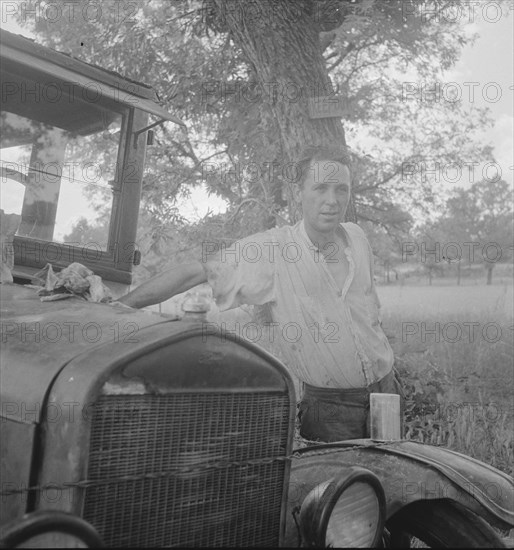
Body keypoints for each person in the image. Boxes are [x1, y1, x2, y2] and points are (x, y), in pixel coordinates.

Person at [118, 145, 402, 442]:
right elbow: (197, 272)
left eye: (341, 190)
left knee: (393, 477)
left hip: (387, 390)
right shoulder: (272, 252)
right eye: (320, 188)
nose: (332, 201)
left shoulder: (357, 237)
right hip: (331, 411)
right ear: (297, 193)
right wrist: (120, 307)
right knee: (341, 487)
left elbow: (369, 312)